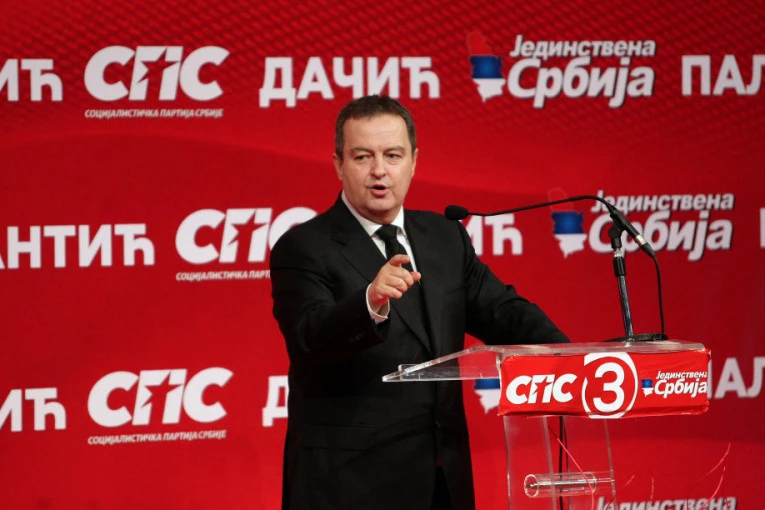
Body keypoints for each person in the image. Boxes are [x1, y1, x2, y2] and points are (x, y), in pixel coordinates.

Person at [270, 95, 568, 510]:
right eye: (362, 156)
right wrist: (370, 302)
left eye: (393, 155)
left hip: (442, 478)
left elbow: (502, 312)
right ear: (338, 164)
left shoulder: (444, 236)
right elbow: (308, 338)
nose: (379, 170)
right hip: (350, 485)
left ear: (413, 161)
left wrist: (574, 356)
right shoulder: (304, 246)